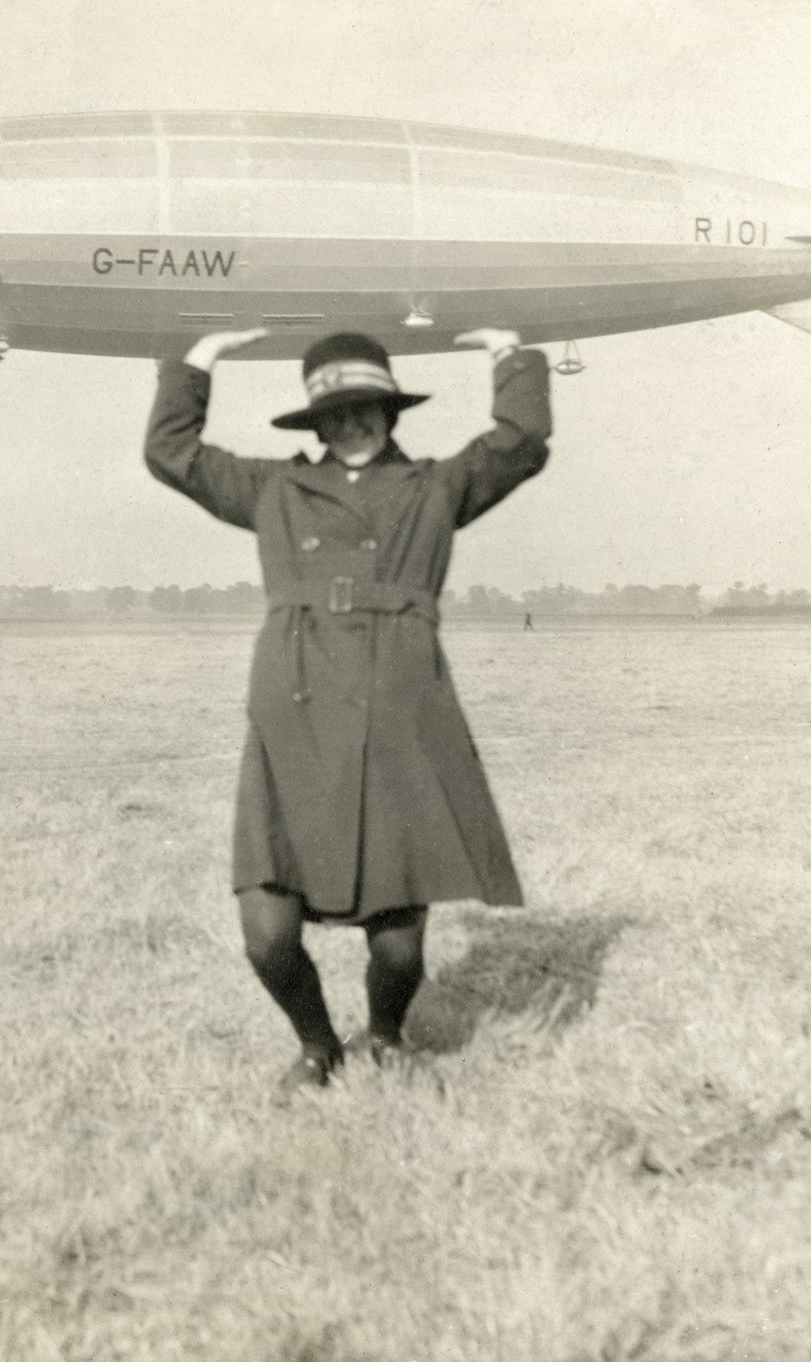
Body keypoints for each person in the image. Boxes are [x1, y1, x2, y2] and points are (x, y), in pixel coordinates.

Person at [144, 326, 554, 1088]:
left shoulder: (434, 488)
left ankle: (387, 1035)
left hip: (399, 713)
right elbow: (171, 453)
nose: (352, 424)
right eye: (335, 413)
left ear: (390, 413)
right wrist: (200, 360)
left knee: (398, 943)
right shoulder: (275, 489)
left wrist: (508, 352)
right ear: (316, 423)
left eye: (367, 408)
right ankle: (316, 1045)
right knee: (267, 931)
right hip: (294, 713)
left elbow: (522, 441)